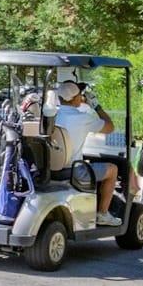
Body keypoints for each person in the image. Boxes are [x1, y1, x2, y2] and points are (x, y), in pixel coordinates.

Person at [51, 78, 120, 225]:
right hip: (73, 171)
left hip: (50, 169)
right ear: (76, 98)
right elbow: (110, 127)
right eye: (80, 96)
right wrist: (96, 106)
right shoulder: (83, 118)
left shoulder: (51, 116)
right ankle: (103, 213)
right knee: (112, 169)